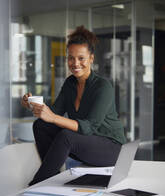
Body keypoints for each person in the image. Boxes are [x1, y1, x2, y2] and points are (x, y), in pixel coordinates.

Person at [21, 26, 126, 186]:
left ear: (91, 58)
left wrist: (53, 117)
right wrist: (33, 105)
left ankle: (37, 183)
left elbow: (89, 127)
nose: (75, 63)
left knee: (66, 136)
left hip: (111, 148)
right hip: (86, 143)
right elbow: (54, 113)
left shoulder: (103, 87)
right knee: (41, 125)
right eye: (71, 58)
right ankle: (52, 175)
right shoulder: (70, 83)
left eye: (81, 58)